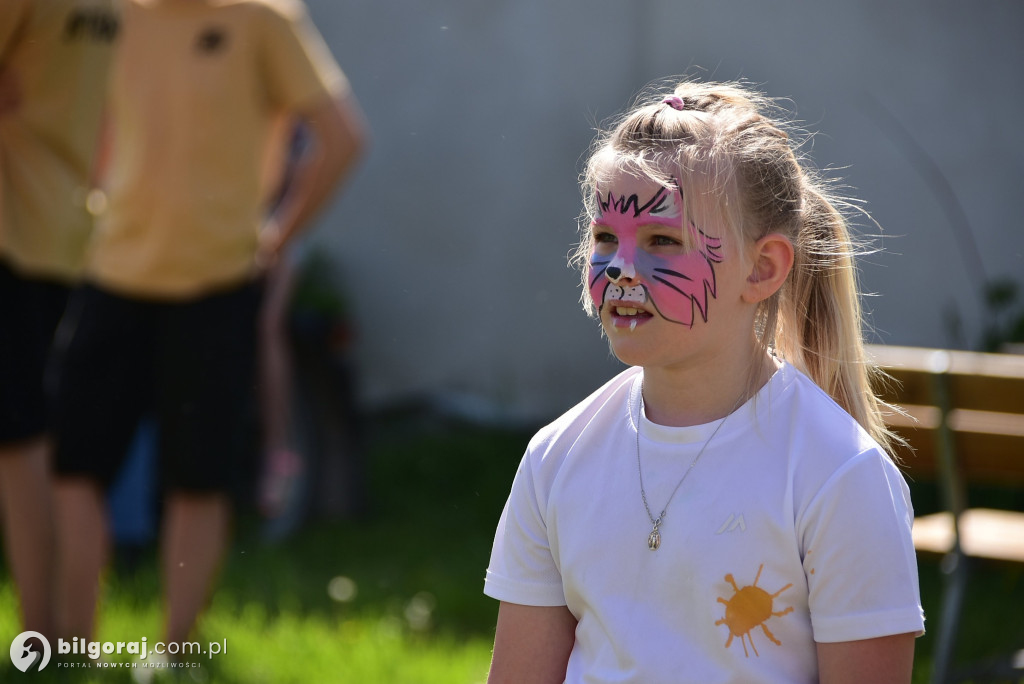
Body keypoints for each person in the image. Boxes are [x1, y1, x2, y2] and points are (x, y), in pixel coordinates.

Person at [483, 80, 925, 684]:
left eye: (663, 240)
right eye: (606, 238)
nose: (620, 269)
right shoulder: (555, 459)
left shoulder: (838, 475)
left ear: (763, 268)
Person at [49, 0, 367, 647]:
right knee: (73, 468)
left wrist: (277, 237)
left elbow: (342, 137)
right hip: (112, 278)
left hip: (216, 285)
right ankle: (69, 645)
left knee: (197, 477)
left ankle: (177, 648)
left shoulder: (264, 21)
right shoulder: (110, 14)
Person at [0, 0, 117, 637]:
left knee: (22, 440)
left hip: (15, 230)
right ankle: (68, 636)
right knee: (53, 443)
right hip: (75, 226)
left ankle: (42, 636)